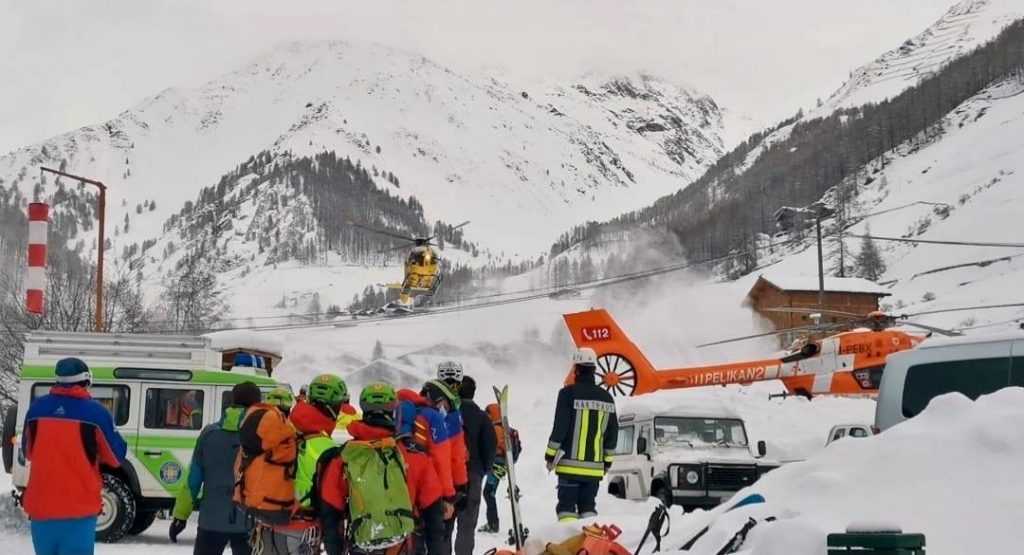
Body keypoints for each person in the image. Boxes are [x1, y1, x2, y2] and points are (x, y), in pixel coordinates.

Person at [320, 383, 446, 555]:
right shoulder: (415, 455)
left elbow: (330, 508)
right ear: (394, 411)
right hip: (404, 546)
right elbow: (433, 512)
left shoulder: (345, 455)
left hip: (362, 546)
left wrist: (335, 550)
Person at [21, 357, 128, 555]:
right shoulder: (97, 413)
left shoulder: (36, 409)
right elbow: (116, 456)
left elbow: (27, 451)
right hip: (79, 510)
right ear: (86, 380)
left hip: (41, 507)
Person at [250, 374, 345, 554]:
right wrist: (335, 545)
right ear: (334, 407)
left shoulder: (283, 430)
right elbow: (329, 503)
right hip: (300, 534)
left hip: (266, 528)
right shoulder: (327, 448)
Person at [170, 381, 262, 554]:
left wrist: (180, 515)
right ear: (256, 404)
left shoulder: (208, 434)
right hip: (249, 521)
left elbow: (193, 480)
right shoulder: (261, 436)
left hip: (210, 521)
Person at [545, 347, 618, 522]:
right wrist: (607, 463)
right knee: (588, 508)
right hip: (594, 469)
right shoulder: (607, 398)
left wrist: (550, 456)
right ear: (594, 369)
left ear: (576, 368)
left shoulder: (567, 394)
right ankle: (590, 545)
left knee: (566, 509)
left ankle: (569, 542)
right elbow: (612, 434)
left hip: (569, 467)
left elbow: (560, 428)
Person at [451, 376, 495, 555]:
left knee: (444, 525)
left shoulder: (448, 413)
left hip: (449, 473)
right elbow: (490, 446)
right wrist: (483, 469)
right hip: (473, 473)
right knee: (467, 524)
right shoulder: (482, 417)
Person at [422, 378, 467, 555]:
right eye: (445, 406)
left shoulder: (406, 414)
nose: (445, 411)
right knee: (439, 539)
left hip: (410, 491)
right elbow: (453, 458)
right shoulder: (447, 419)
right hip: (438, 492)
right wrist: (458, 488)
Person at [479, 402, 521, 534]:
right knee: (489, 493)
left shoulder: (496, 430)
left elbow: (490, 447)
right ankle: (493, 523)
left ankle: (493, 524)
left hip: (496, 465)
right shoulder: (506, 429)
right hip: (503, 465)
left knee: (488, 493)